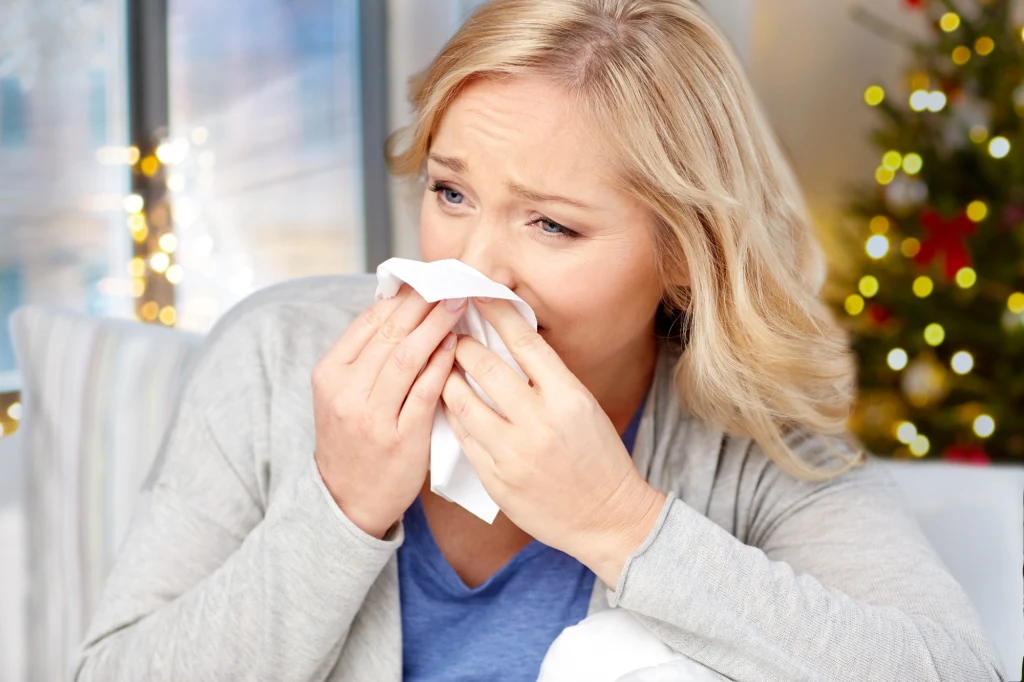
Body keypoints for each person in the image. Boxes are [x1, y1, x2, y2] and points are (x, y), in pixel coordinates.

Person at [74, 1, 1006, 680]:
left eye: (551, 226)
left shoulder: (748, 438)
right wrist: (340, 506)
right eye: (451, 193)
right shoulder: (277, 358)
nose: (478, 264)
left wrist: (619, 522)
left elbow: (953, 671)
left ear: (683, 254)